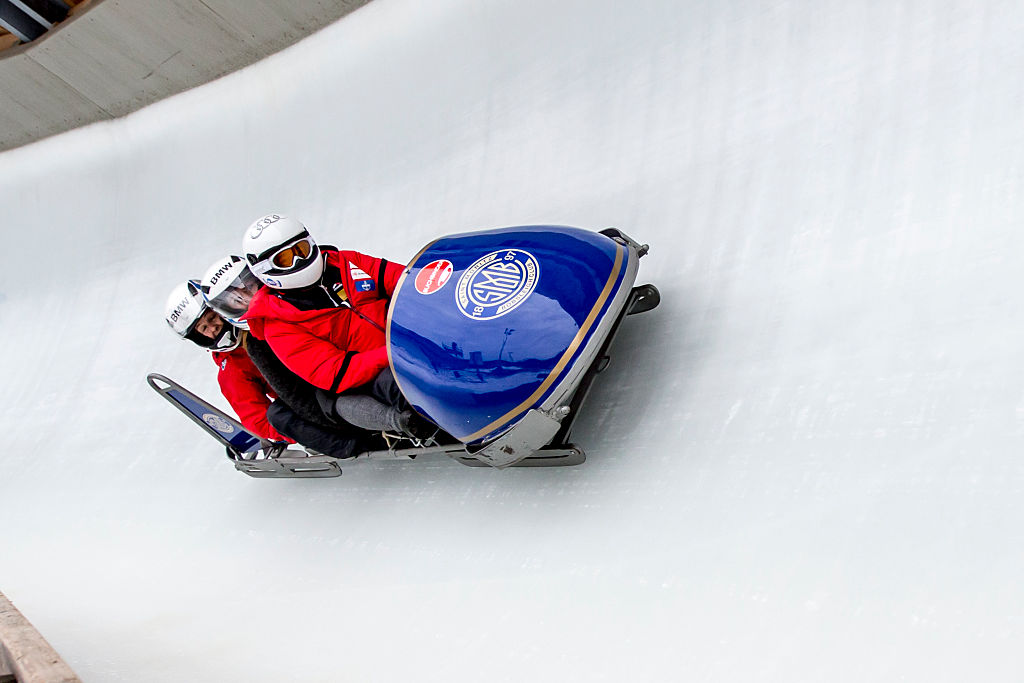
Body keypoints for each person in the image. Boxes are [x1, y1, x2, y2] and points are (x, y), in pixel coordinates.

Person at [239, 213, 436, 440]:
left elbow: (406, 281)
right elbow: (335, 372)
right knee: (407, 383)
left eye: (301, 250)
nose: (300, 261)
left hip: (406, 337)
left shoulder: (346, 262)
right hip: (369, 374)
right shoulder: (278, 325)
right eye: (286, 259)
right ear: (264, 270)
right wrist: (394, 352)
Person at [199, 254, 382, 458]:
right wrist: (303, 432)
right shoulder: (236, 365)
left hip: (341, 369)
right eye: (203, 329)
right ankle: (354, 443)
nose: (212, 330)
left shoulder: (286, 304)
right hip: (318, 395)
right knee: (278, 415)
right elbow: (258, 415)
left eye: (211, 319)